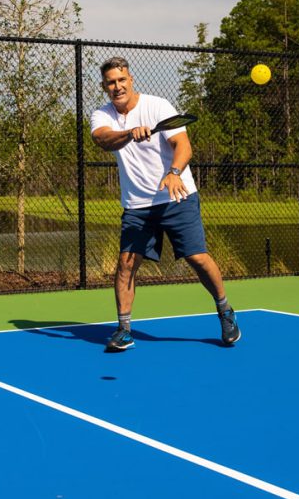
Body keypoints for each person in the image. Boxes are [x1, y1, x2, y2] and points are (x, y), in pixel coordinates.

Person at [90, 57, 240, 352]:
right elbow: (103, 139)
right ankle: (124, 330)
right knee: (126, 264)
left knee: (197, 258)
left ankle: (225, 310)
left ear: (131, 80)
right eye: (111, 82)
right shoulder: (101, 114)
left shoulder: (158, 106)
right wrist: (129, 133)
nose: (117, 86)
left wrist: (173, 173)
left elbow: (183, 145)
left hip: (176, 196)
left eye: (122, 80)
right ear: (104, 87)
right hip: (137, 205)